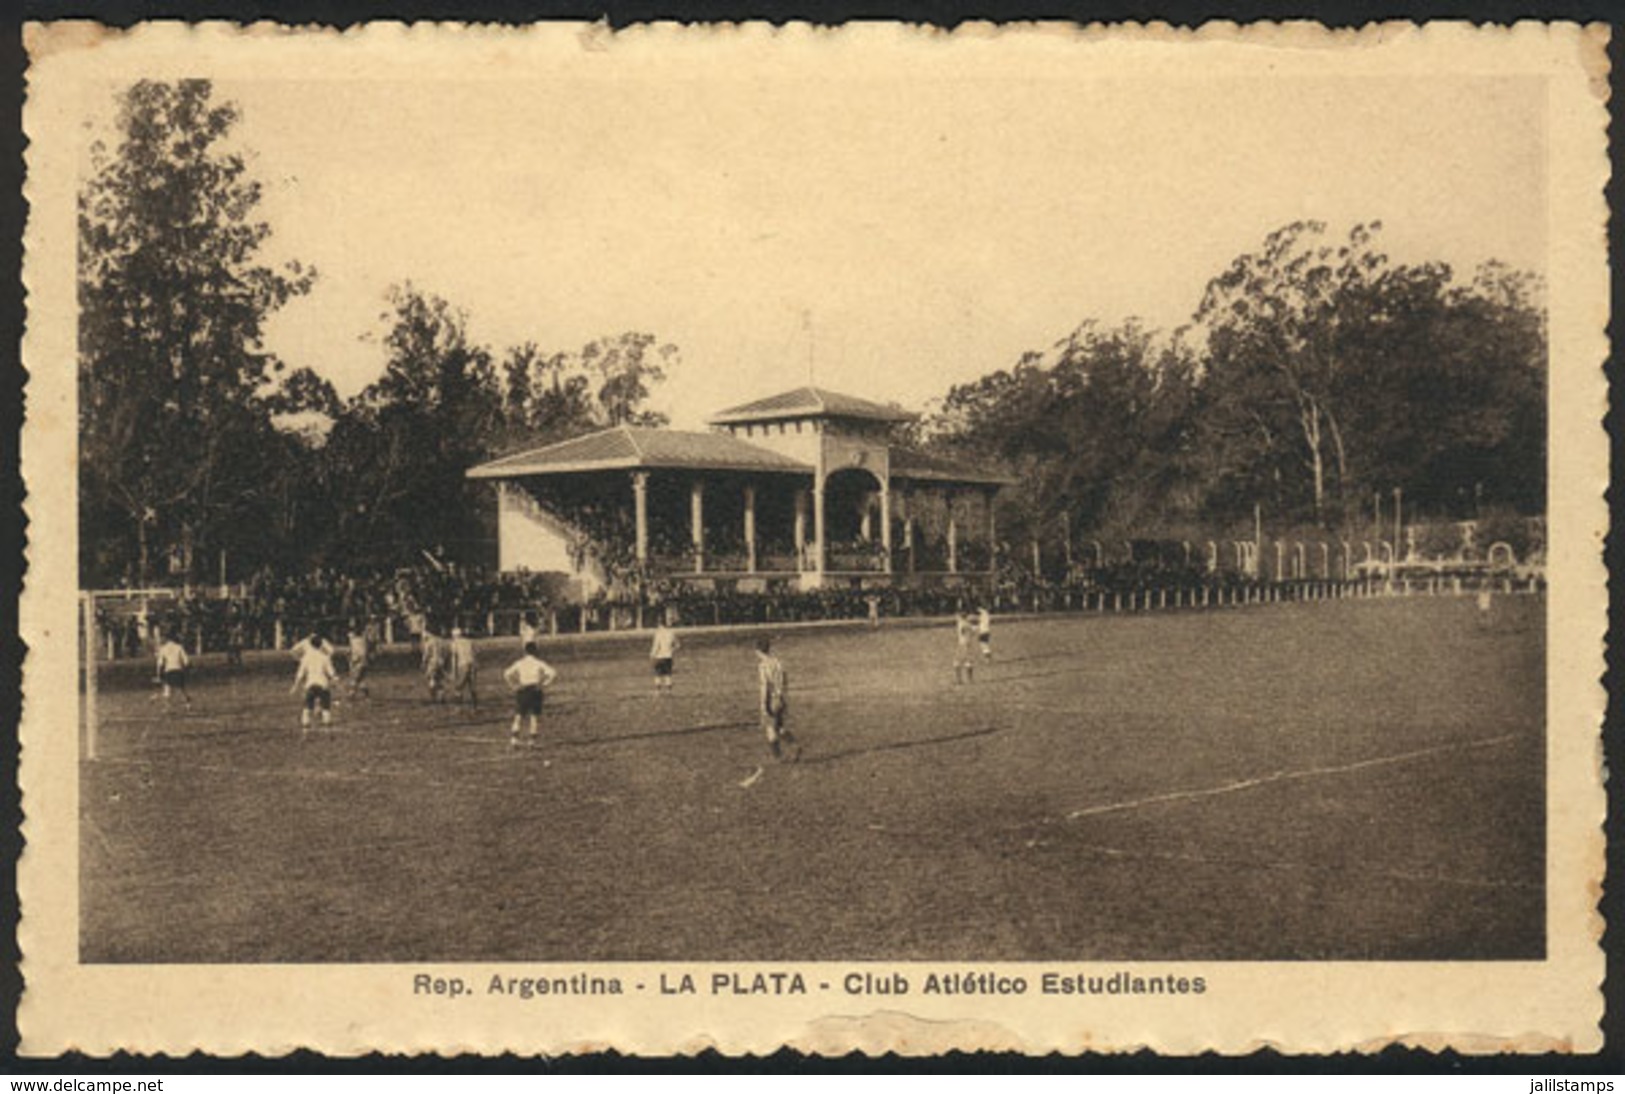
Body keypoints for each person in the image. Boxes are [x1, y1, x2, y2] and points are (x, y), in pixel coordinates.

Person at [503, 641, 558, 750]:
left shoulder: (520, 663)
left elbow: (506, 673)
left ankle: (514, 741)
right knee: (534, 716)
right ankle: (532, 742)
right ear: (535, 651)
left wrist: (513, 685)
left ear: (525, 651)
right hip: (535, 690)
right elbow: (553, 673)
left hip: (523, 690)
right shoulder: (538, 662)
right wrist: (544, 684)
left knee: (518, 716)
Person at [755, 636, 797, 762]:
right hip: (781, 698)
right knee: (780, 727)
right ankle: (794, 745)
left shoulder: (763, 666)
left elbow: (765, 686)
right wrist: (782, 695)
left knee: (770, 729)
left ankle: (779, 757)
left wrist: (763, 704)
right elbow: (785, 679)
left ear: (758, 651)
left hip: (771, 699)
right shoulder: (778, 662)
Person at [290, 629, 339, 735]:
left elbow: (300, 674)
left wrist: (295, 686)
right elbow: (332, 674)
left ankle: (305, 731)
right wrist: (336, 684)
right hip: (323, 685)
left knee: (307, 708)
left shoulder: (305, 658)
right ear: (321, 645)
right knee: (326, 708)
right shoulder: (325, 657)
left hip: (310, 685)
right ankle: (327, 728)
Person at [153, 630, 192, 706]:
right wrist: (188, 670)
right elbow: (186, 661)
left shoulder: (163, 649)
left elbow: (160, 663)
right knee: (181, 689)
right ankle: (188, 704)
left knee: (167, 689)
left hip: (169, 670)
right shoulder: (179, 647)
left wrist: (158, 674)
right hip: (178, 670)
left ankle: (167, 706)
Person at [449, 626, 479, 709]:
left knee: (458, 687)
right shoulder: (470, 641)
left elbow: (454, 659)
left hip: (463, 665)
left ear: (454, 636)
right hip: (473, 665)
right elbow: (476, 654)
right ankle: (474, 707)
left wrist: (453, 672)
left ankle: (458, 707)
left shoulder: (454, 643)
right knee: (472, 687)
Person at [650, 616, 680, 693]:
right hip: (668, 656)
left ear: (659, 625)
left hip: (659, 656)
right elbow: (678, 645)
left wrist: (652, 655)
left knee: (657, 675)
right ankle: (669, 691)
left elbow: (656, 645)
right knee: (668, 674)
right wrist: (672, 650)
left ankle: (657, 691)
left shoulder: (658, 634)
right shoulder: (671, 633)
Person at [421, 626, 450, 703]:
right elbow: (447, 652)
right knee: (440, 679)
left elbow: (426, 654)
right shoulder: (443, 641)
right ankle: (441, 696)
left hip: (433, 662)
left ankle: (433, 698)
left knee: (432, 678)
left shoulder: (429, 642)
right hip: (442, 662)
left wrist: (423, 663)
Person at [346, 619, 372, 699]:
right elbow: (352, 648)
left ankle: (352, 693)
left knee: (355, 677)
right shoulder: (354, 637)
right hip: (358, 658)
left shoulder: (362, 637)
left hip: (359, 659)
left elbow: (365, 649)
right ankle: (365, 693)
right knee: (360, 678)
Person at [954, 611, 976, 685]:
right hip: (969, 643)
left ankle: (959, 680)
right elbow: (973, 632)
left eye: (958, 616)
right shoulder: (969, 624)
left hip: (962, 644)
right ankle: (970, 680)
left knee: (957, 661)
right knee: (968, 661)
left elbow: (962, 630)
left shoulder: (961, 623)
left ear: (961, 617)